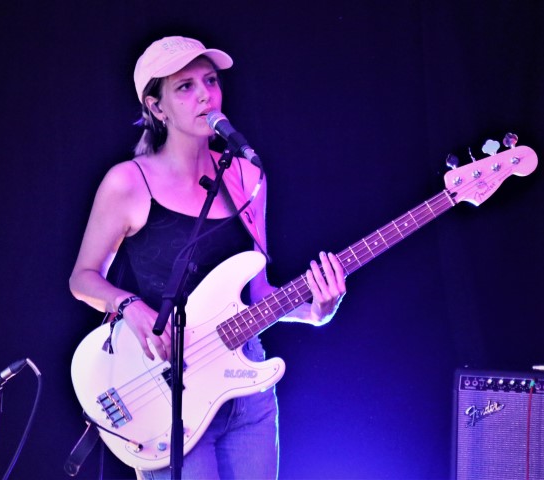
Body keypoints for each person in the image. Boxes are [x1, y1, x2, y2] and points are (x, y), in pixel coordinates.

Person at [69, 35, 347, 480]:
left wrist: (315, 312)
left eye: (211, 81)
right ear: (157, 107)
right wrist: (129, 305)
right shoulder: (128, 182)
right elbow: (82, 278)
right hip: (167, 390)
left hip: (246, 385)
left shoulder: (247, 176)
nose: (205, 95)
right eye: (185, 86)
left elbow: (259, 295)